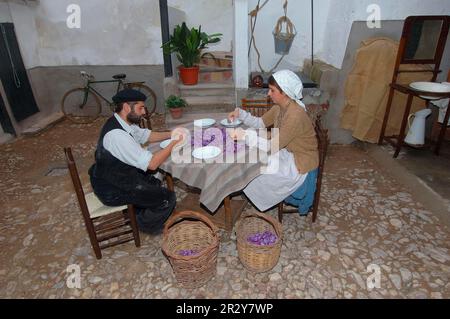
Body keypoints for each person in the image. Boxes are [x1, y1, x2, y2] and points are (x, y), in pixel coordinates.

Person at [88, 88, 185, 234]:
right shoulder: (117, 136)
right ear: (127, 107)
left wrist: (172, 134)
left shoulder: (122, 122)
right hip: (112, 189)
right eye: (141, 108)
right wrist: (173, 144)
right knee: (168, 197)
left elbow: (147, 136)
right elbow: (152, 164)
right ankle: (145, 224)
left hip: (119, 176)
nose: (144, 112)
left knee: (155, 180)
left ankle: (138, 210)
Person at [228, 70, 319, 211]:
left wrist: (245, 136)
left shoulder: (295, 115)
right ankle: (252, 192)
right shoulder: (280, 107)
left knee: (259, 168)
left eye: (272, 90)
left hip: (300, 161)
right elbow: (260, 123)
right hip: (287, 151)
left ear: (285, 92)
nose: (268, 94)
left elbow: (272, 147)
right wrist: (241, 114)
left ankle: (259, 194)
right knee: (253, 159)